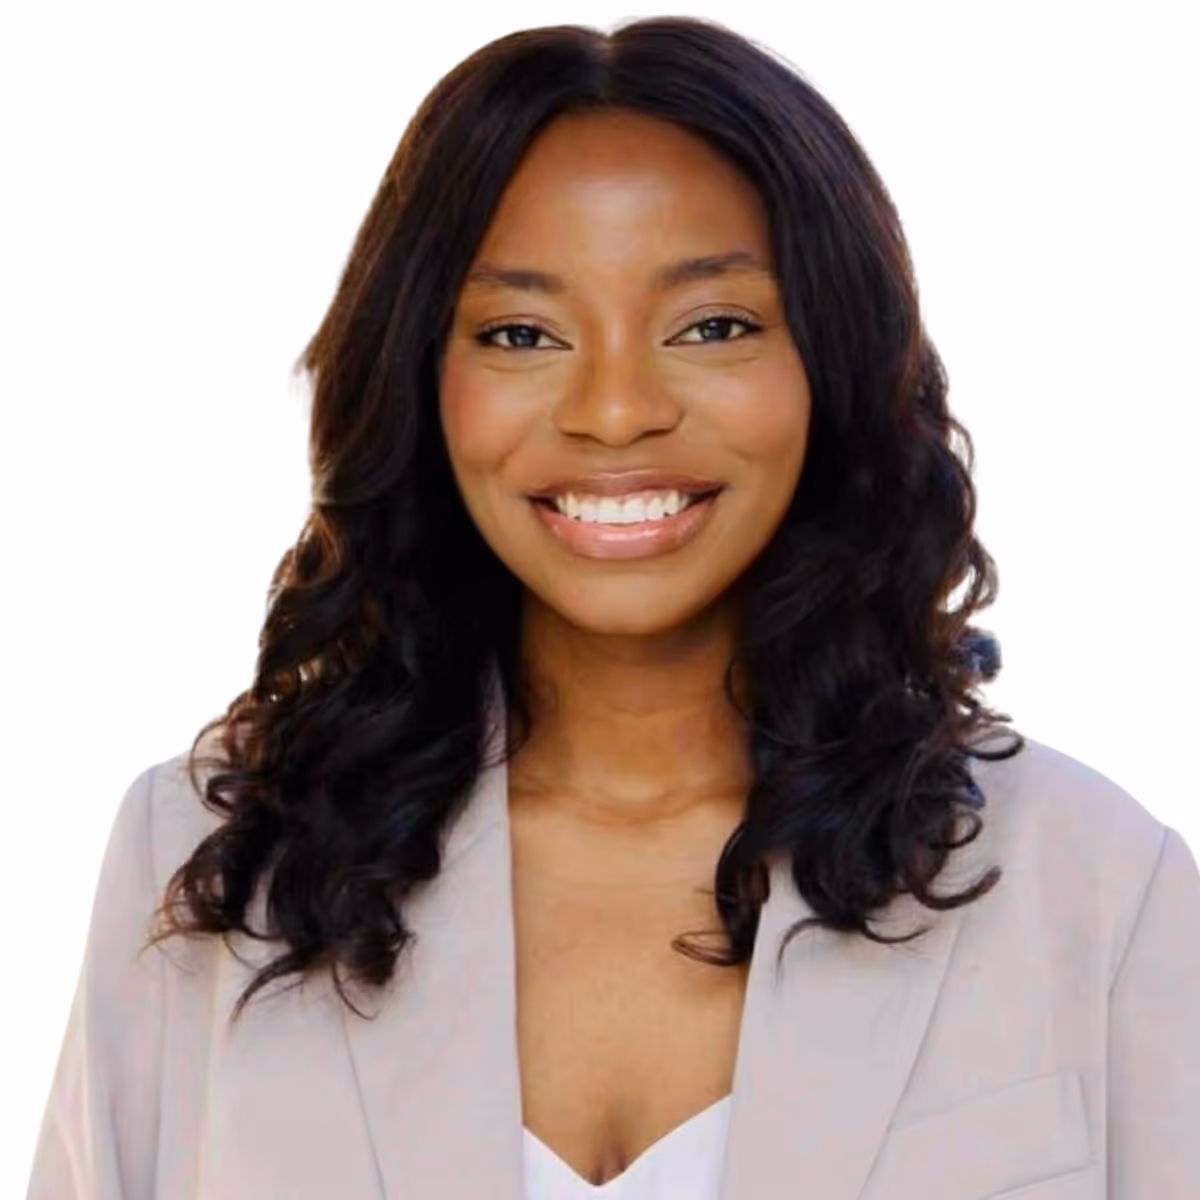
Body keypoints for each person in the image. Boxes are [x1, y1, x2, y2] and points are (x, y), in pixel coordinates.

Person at [27, 15, 1200, 1199]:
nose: (617, 409)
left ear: (832, 364)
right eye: (521, 333)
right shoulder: (205, 866)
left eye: (714, 326)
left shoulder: (1094, 880)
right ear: (422, 377)